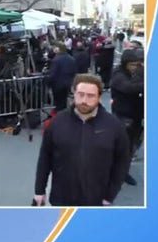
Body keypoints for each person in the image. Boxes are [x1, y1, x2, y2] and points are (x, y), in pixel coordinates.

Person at [34, 74, 130, 207]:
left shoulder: (114, 126)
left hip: (97, 199)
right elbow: (45, 157)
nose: (84, 100)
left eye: (90, 96)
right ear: (74, 94)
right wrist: (39, 190)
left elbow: (121, 163)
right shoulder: (57, 122)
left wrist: (110, 195)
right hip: (61, 197)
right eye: (80, 94)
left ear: (99, 97)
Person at [110, 49, 145, 185]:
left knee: (131, 147)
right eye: (132, 65)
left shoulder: (133, 73)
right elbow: (128, 88)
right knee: (123, 147)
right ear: (125, 64)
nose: (135, 68)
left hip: (135, 115)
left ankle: (123, 172)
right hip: (124, 116)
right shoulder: (119, 75)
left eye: (136, 64)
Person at [46, 44, 77, 111]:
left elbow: (53, 74)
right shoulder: (71, 58)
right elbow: (74, 71)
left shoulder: (56, 60)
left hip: (57, 84)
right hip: (68, 83)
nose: (54, 49)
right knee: (64, 100)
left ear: (59, 49)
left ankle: (60, 116)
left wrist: (48, 83)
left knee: (58, 103)